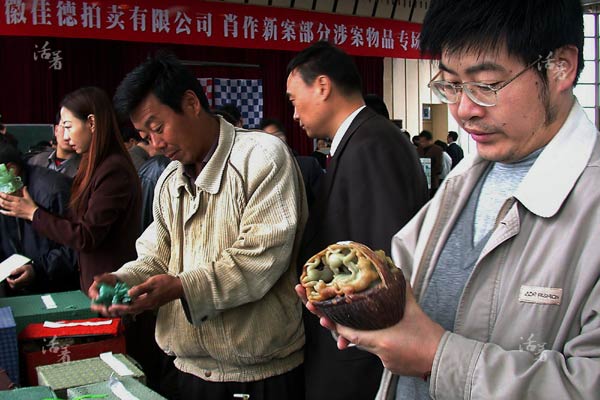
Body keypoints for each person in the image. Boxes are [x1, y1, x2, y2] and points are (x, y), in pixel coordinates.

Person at [298, 0, 600, 399]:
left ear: (561, 66)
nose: (463, 111)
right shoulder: (466, 176)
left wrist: (436, 358)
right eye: (451, 85)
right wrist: (363, 308)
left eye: (487, 85)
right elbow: (407, 288)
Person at [91, 52, 308, 400]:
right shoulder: (169, 180)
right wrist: (124, 281)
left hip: (259, 373)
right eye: (145, 134)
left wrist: (181, 287)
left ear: (191, 103)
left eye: (158, 126)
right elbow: (156, 256)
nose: (156, 144)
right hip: (189, 371)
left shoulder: (262, 158)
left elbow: (259, 259)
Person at [287, 41, 429, 400]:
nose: (294, 114)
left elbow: (381, 267)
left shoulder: (372, 144)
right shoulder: (360, 140)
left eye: (293, 99)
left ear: (322, 86)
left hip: (360, 360)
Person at [0, 86, 141, 292]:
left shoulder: (113, 170)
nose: (65, 136)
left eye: (68, 126)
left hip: (111, 285)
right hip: (93, 282)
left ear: (91, 123)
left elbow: (85, 236)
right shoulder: (91, 164)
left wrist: (33, 213)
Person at [0, 142, 78, 294]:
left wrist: (37, 269)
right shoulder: (5, 193)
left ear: (11, 169)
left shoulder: (53, 190)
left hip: (58, 289)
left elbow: (75, 246)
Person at [259, 117, 324, 207]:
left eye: (277, 135)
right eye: (269, 138)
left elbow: (324, 202)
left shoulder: (308, 165)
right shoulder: (261, 173)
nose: (275, 140)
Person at [27, 112, 81, 178]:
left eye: (71, 128)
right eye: (65, 127)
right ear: (56, 130)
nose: (66, 135)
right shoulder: (35, 161)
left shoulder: (85, 168)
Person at [417, 130, 444, 196]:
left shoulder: (437, 150)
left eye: (423, 142)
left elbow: (439, 166)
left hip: (433, 182)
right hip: (421, 182)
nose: (421, 143)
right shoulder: (418, 149)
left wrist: (429, 172)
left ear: (430, 140)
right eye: (420, 142)